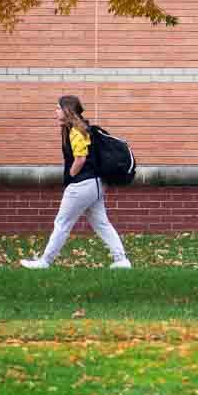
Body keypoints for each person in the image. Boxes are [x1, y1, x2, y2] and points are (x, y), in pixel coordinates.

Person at [20, 95, 130, 269]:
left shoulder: (75, 131)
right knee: (102, 223)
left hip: (82, 185)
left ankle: (45, 261)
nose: (55, 111)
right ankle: (121, 260)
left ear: (67, 110)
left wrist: (71, 174)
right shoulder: (81, 128)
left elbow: (80, 158)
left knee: (62, 223)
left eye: (58, 108)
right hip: (96, 184)